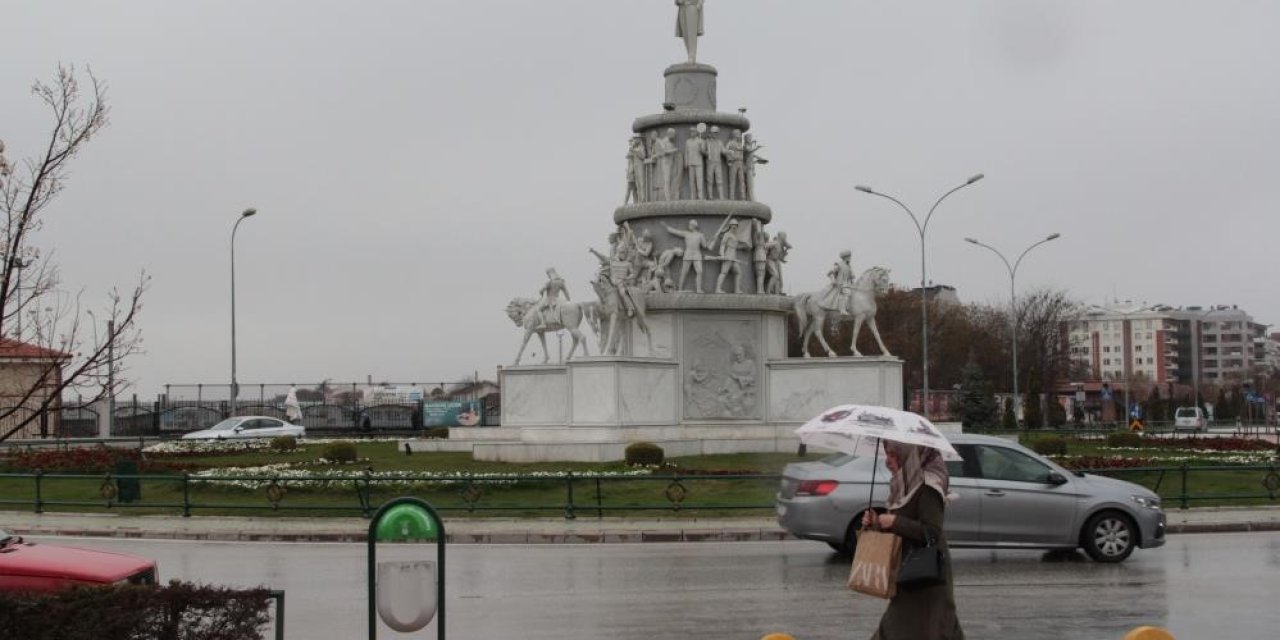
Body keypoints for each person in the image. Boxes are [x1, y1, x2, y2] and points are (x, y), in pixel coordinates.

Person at [860, 441, 963, 639]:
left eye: (891, 455)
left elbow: (931, 531)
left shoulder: (928, 487)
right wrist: (875, 523)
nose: (887, 461)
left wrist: (894, 521)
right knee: (902, 628)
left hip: (926, 578)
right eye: (886, 455)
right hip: (908, 573)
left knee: (931, 627)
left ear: (908, 455)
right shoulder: (905, 485)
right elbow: (898, 529)